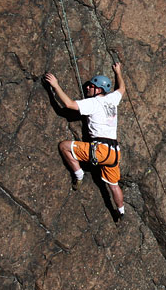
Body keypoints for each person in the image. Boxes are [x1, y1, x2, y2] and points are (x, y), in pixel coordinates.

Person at [44, 63, 126, 218]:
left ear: (98, 90)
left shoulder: (94, 103)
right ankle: (121, 211)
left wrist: (55, 85)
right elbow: (121, 89)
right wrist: (118, 72)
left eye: (91, 86)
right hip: (114, 153)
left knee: (64, 146)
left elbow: (68, 104)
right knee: (113, 185)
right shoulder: (112, 100)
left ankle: (78, 174)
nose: (87, 88)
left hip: (101, 150)